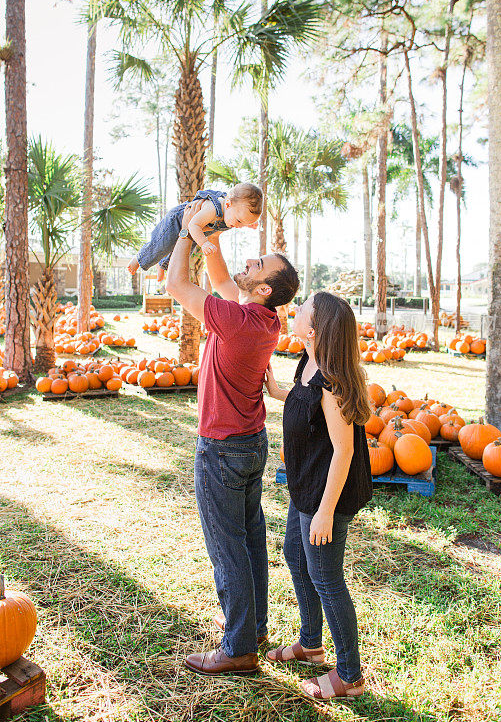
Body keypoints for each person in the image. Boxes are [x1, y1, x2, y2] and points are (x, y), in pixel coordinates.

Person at [165, 201, 299, 676]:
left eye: (258, 264)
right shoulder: (262, 319)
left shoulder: (238, 321)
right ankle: (255, 627)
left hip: (222, 448)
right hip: (250, 442)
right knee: (249, 541)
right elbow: (222, 284)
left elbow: (176, 285)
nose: (250, 261)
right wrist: (211, 242)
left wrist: (186, 233)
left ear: (264, 288)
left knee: (228, 549)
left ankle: (239, 647)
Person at [264, 291, 372, 702]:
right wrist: (277, 392)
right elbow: (303, 403)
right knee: (295, 555)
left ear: (312, 329)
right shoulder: (307, 362)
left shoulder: (332, 380)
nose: (296, 309)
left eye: (303, 308)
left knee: (327, 579)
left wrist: (326, 512)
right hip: (306, 486)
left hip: (329, 495)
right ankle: (310, 645)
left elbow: (344, 451)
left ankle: (350, 676)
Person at [127, 183, 262, 279]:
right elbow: (193, 225)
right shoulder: (213, 209)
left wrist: (248, 224)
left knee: (183, 253)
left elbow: (239, 217)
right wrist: (204, 243)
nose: (239, 226)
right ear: (227, 204)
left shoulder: (232, 211)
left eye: (244, 224)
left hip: (195, 233)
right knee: (161, 244)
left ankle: (162, 265)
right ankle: (138, 259)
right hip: (179, 221)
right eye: (239, 221)